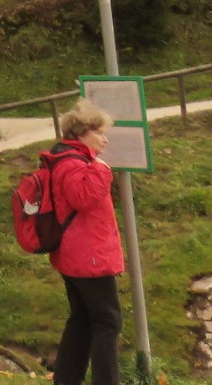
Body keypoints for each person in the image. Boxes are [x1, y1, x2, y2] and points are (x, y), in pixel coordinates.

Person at [46, 99, 125, 385]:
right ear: (82, 132)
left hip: (76, 255)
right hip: (89, 258)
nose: (105, 139)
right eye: (100, 132)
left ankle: (66, 380)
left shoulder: (68, 160)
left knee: (81, 320)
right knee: (108, 322)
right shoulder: (73, 163)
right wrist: (102, 168)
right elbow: (82, 197)